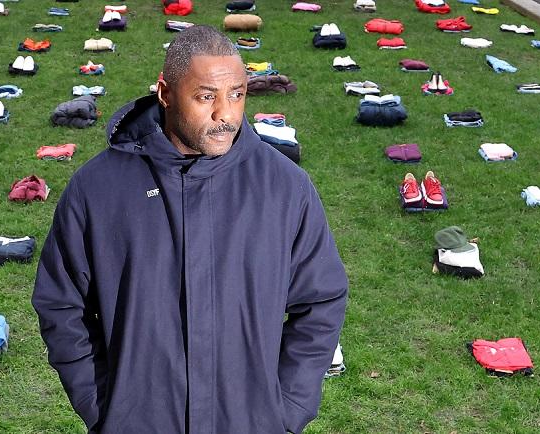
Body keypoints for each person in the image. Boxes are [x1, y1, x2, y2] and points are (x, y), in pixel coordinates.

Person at [32, 25, 348, 434]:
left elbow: (321, 300)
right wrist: (104, 405)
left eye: (237, 93)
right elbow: (61, 304)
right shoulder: (96, 189)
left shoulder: (285, 187)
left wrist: (287, 408)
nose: (226, 114)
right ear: (165, 93)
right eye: (206, 97)